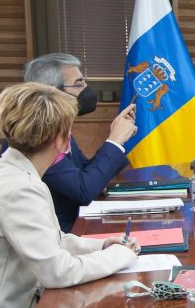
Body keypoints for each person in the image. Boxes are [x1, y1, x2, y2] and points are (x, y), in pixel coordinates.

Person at [0, 83, 140, 308]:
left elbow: (51, 240)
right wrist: (120, 256)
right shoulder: (21, 189)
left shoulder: (5, 170)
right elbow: (57, 272)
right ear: (62, 141)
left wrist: (100, 245)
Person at [10, 53, 138, 232]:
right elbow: (84, 190)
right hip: (57, 238)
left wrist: (118, 138)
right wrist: (114, 141)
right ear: (51, 91)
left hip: (75, 230)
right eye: (79, 84)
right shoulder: (34, 138)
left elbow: (87, 173)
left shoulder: (58, 129)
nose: (86, 89)